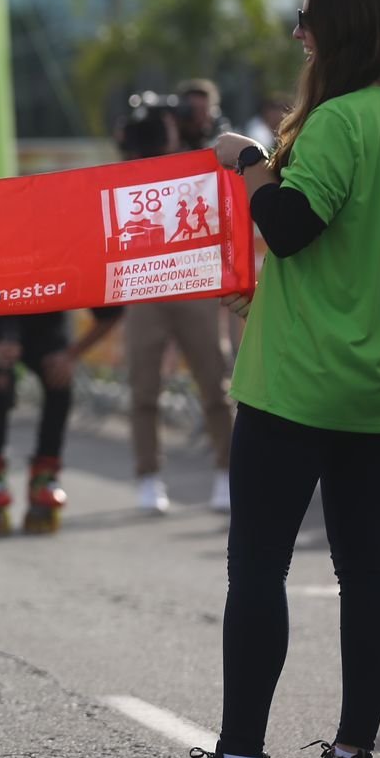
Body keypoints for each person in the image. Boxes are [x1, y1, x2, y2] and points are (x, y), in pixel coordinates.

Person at [139, 0, 380, 758]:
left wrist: (247, 158)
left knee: (258, 567)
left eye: (308, 15)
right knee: (369, 571)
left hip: (298, 384)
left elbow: (288, 225)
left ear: (340, 27)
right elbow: (361, 254)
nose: (298, 31)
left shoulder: (336, 121)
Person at [114, 94, 233, 515]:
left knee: (214, 385)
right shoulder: (135, 163)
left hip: (194, 280)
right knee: (143, 387)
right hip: (145, 286)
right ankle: (147, 475)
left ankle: (226, 472)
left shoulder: (200, 155)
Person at [0, 308, 122, 534]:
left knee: (59, 379)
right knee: (0, 382)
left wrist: (72, 355)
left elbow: (112, 313)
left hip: (45, 321)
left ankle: (46, 473)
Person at [174, 77, 230, 151]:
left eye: (202, 110)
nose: (197, 116)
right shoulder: (176, 129)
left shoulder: (218, 129)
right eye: (193, 109)